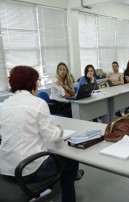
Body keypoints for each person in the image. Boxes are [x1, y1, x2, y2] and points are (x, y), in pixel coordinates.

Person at [0, 66, 83, 202]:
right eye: (37, 80)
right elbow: (52, 136)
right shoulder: (38, 103)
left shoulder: (3, 105)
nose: (38, 84)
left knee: (58, 158)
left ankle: (65, 178)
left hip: (5, 168)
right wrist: (59, 129)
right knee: (71, 159)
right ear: (31, 82)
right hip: (27, 170)